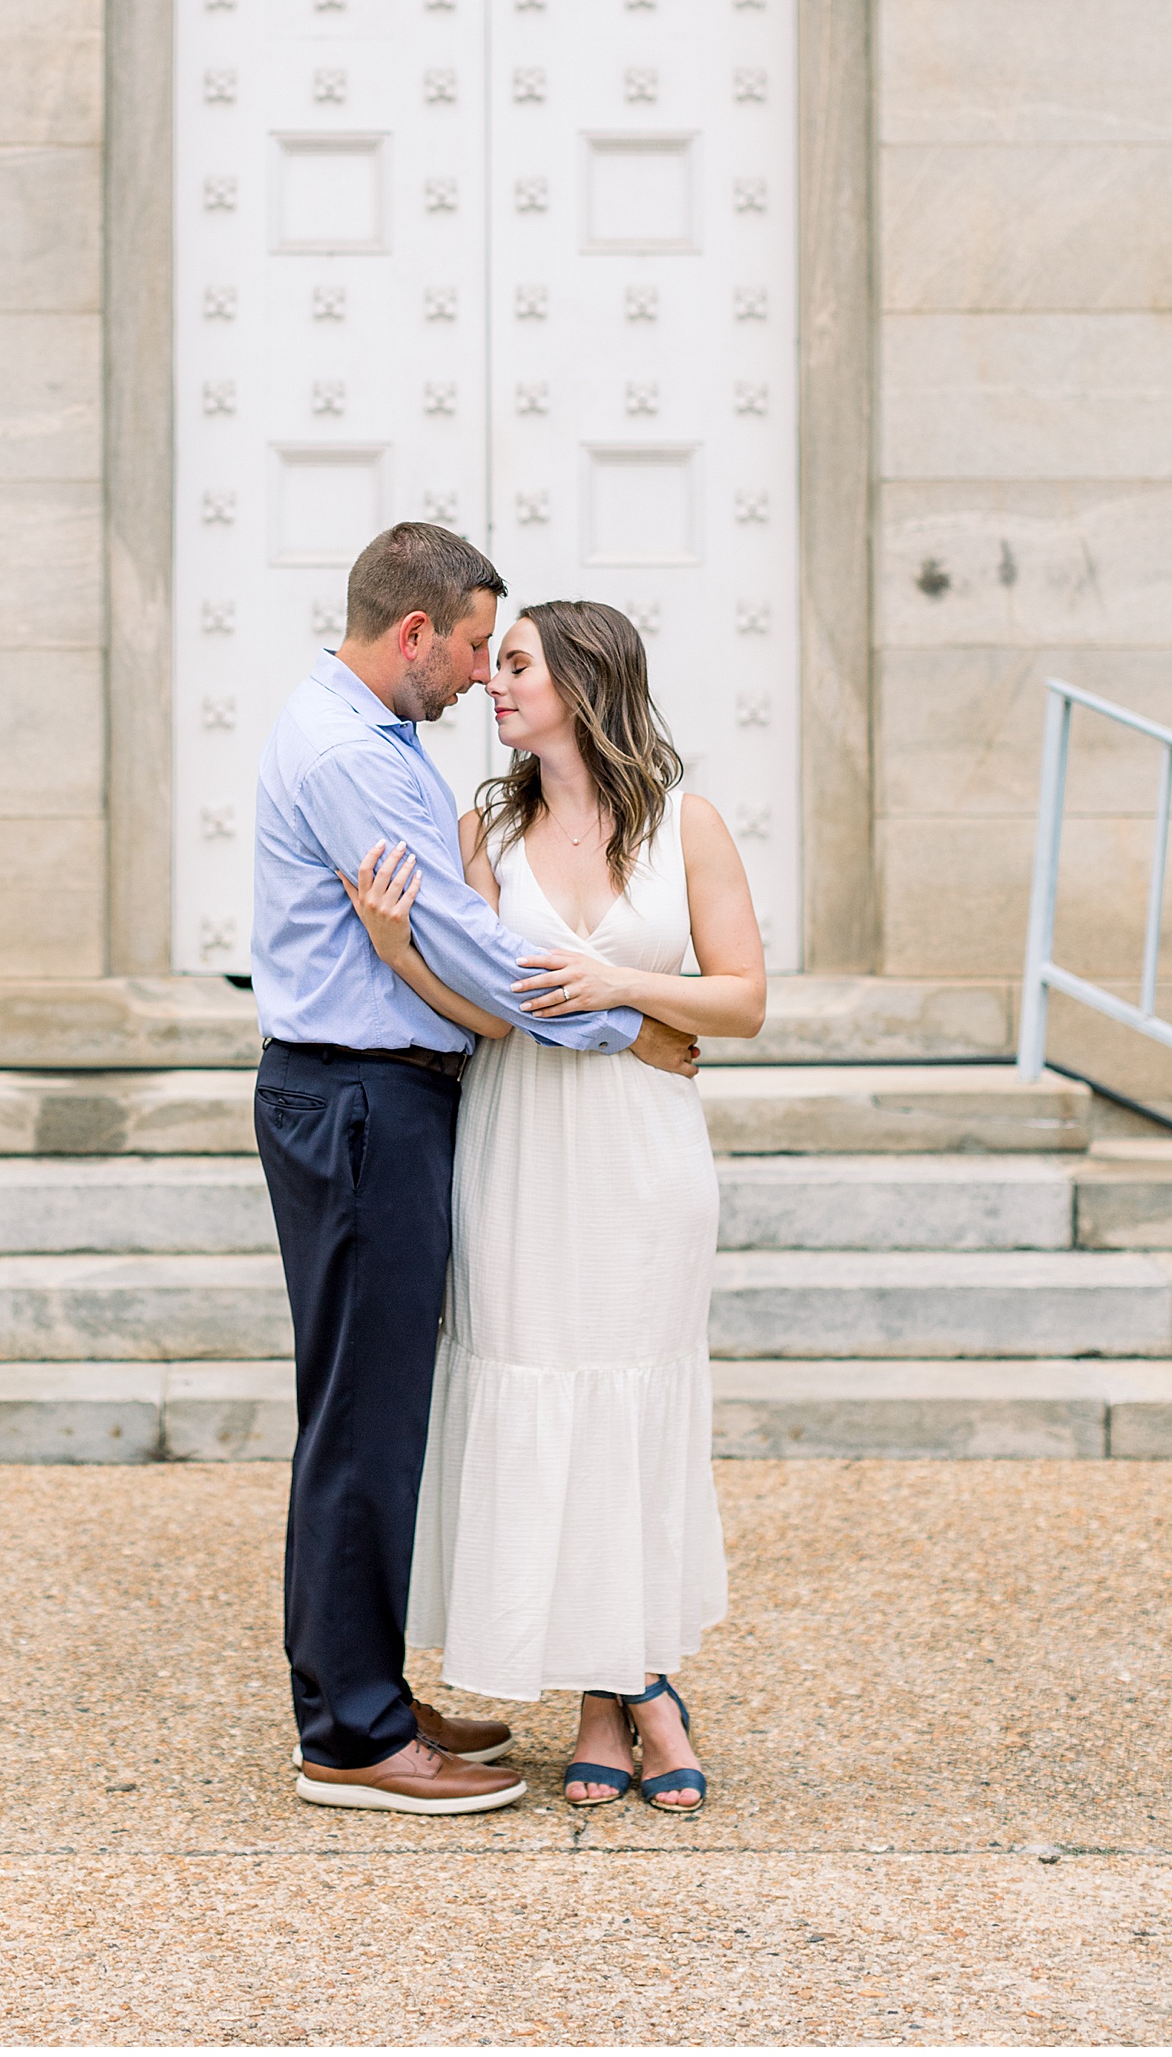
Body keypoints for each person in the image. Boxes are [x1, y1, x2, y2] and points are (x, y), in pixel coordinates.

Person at [249, 523, 702, 1817]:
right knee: (361, 1418)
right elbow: (469, 946)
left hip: (370, 1097)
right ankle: (351, 1737)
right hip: (357, 1101)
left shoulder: (372, 741)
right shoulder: (354, 755)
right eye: (465, 652)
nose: (473, 683)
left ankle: (362, 1691)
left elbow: (449, 961)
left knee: (373, 1407)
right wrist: (637, 1025)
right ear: (413, 633)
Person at [343, 598, 766, 1813]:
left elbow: (741, 1000)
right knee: (539, 1385)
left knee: (631, 1407)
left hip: (645, 1159)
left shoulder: (689, 825)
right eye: (494, 660)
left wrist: (620, 984)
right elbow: (482, 1005)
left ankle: (639, 1684)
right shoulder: (489, 825)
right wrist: (399, 949)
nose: (494, 681)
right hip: (522, 1146)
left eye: (517, 662)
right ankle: (606, 1695)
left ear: (583, 681)